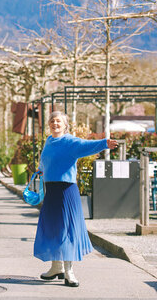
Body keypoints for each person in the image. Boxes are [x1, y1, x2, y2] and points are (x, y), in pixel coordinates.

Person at [34, 111, 117, 287]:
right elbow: (44, 160)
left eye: (58, 121)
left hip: (66, 191)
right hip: (52, 191)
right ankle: (56, 267)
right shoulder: (49, 141)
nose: (55, 124)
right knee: (53, 228)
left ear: (65, 125)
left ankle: (69, 271)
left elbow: (87, 146)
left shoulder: (70, 141)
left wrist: (104, 144)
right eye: (52, 121)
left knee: (67, 230)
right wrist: (40, 170)